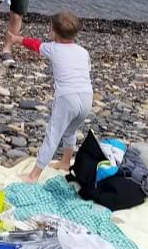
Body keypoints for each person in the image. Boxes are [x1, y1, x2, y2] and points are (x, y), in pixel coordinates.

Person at [8, 11, 92, 183]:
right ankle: (65, 162)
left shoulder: (53, 48)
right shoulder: (83, 51)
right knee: (70, 130)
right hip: (87, 97)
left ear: (54, 32)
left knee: (53, 135)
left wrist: (16, 39)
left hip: (67, 98)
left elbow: (34, 44)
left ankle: (34, 175)